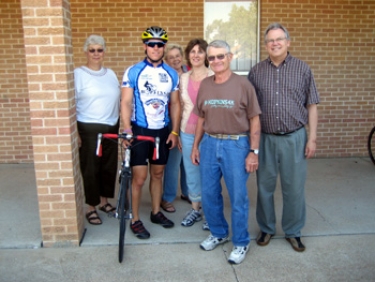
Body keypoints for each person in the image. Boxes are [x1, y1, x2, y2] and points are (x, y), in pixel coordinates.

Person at [248, 22, 319, 252]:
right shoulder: (256, 71)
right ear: (266, 45)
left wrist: (312, 138)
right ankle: (267, 228)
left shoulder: (303, 69)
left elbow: (312, 105)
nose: (275, 43)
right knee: (264, 187)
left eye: (279, 39)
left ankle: (293, 230)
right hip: (266, 139)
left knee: (294, 187)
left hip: (294, 137)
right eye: (270, 40)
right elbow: (250, 110)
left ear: (288, 42)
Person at [191, 40, 261, 264]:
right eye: (211, 57)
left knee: (238, 196)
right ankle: (219, 233)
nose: (216, 61)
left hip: (236, 145)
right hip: (210, 144)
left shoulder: (243, 85)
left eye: (220, 56)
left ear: (230, 57)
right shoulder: (206, 85)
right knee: (210, 194)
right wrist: (196, 145)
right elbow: (201, 117)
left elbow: (254, 119)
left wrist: (253, 151)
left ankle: (241, 242)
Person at [121, 26, 181, 239]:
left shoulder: (172, 74)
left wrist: (174, 132)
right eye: (151, 44)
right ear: (145, 46)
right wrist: (126, 128)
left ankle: (156, 212)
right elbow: (126, 101)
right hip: (138, 129)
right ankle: (135, 219)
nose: (155, 48)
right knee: (139, 178)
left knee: (158, 174)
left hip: (162, 131)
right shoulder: (133, 71)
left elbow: (175, 104)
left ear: (164, 47)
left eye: (159, 44)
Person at [74, 35, 120, 225]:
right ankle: (91, 207)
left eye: (99, 50)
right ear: (86, 51)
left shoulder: (110, 74)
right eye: (92, 50)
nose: (96, 53)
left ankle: (104, 201)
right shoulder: (79, 74)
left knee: (108, 167)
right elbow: (71, 103)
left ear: (104, 52)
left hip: (112, 125)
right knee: (91, 169)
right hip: (89, 127)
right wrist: (75, 133)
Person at [179, 38, 214, 229]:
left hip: (209, 132)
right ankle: (195, 209)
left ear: (206, 55)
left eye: (200, 51)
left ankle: (210, 213)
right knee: (191, 171)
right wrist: (176, 133)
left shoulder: (213, 76)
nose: (196, 55)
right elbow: (180, 106)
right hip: (187, 131)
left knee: (208, 172)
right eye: (192, 51)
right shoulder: (183, 78)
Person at [161, 43, 190, 213]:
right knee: (174, 160)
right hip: (173, 120)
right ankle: (167, 197)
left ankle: (187, 192)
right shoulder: (165, 75)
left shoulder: (189, 72)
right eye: (171, 57)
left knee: (188, 158)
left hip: (189, 119)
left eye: (177, 56)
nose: (175, 59)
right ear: (166, 60)